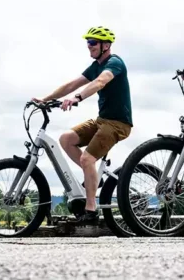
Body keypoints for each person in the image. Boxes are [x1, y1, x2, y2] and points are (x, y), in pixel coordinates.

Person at [32, 26, 133, 224]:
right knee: (66, 139)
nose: (89, 46)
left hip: (118, 124)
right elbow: (72, 84)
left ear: (106, 45)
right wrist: (45, 99)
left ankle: (91, 211)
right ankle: (94, 177)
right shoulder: (95, 65)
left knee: (87, 159)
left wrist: (77, 98)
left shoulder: (114, 63)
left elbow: (100, 83)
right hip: (102, 120)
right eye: (88, 43)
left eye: (93, 42)